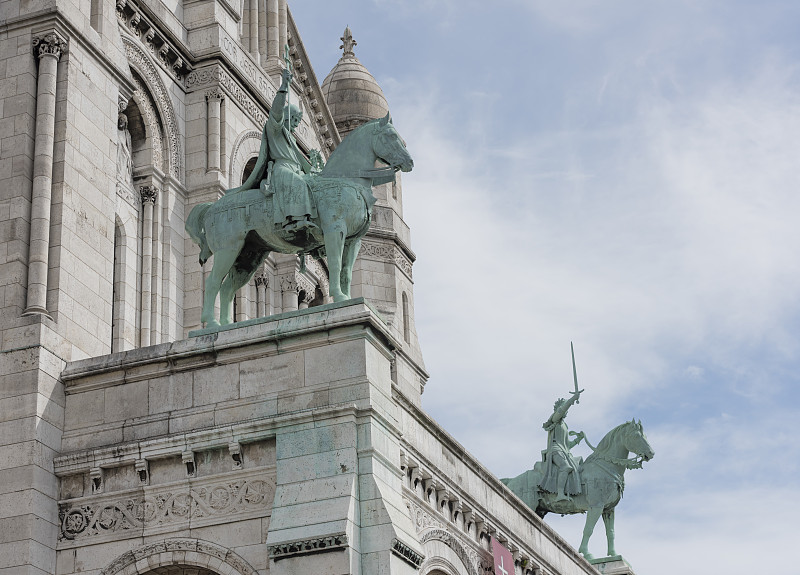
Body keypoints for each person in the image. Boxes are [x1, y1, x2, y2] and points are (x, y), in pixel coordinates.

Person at [265, 67, 317, 238]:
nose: (295, 124)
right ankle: (293, 221)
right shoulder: (276, 130)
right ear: (286, 117)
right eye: (294, 119)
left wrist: (314, 166)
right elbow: (276, 111)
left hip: (294, 170)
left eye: (297, 120)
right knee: (299, 184)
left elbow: (304, 166)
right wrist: (284, 87)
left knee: (309, 183)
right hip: (281, 169)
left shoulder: (292, 140)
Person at [539, 389, 585, 502]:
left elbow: (566, 445)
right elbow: (561, 410)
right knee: (565, 467)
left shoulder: (564, 425)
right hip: (555, 450)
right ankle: (560, 493)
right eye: (565, 407)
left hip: (563, 451)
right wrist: (572, 400)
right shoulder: (555, 419)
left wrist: (577, 440)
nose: (566, 410)